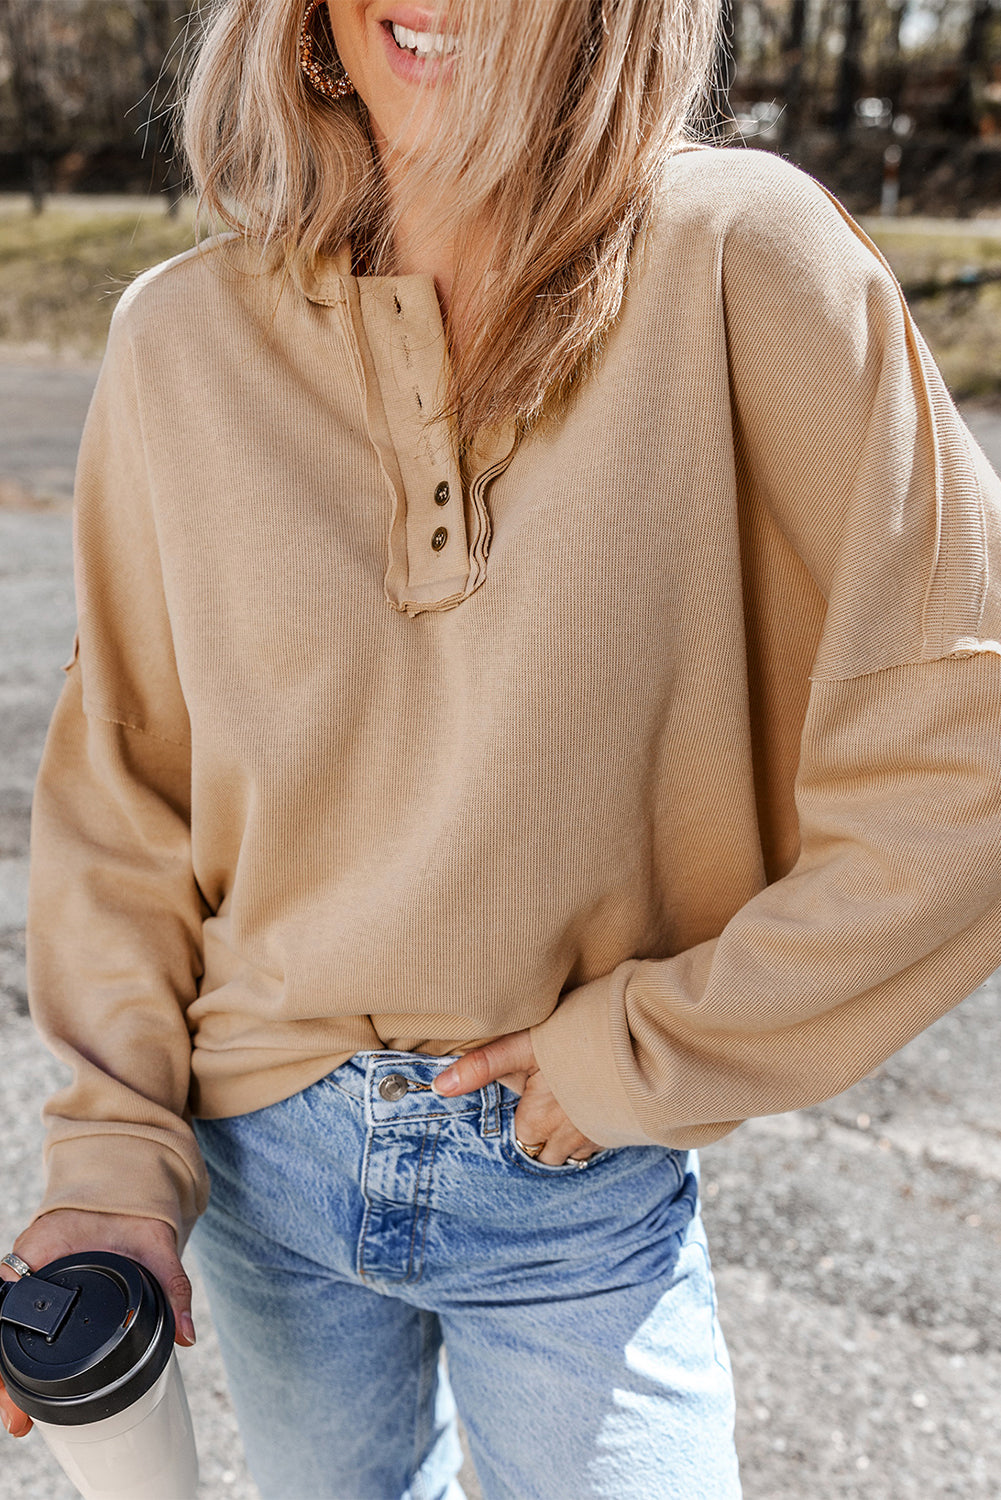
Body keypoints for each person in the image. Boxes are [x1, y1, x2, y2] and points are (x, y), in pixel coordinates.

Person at [3, 1, 1001, 1495]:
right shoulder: (176, 340)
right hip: (259, 1163)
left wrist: (656, 1049)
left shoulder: (743, 259)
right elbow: (125, 803)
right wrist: (106, 1164)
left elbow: (961, 740)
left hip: (573, 1177)